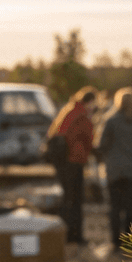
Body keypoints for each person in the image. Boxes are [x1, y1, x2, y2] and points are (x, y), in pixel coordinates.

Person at [95, 87, 132, 248]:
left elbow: (102, 145)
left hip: (114, 170)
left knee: (114, 206)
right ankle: (129, 240)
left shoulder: (111, 121)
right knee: (130, 207)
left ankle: (115, 240)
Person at [46, 86, 98, 244]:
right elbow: (87, 138)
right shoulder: (82, 115)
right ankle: (75, 235)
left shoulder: (69, 110)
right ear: (90, 102)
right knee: (75, 200)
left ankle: (65, 234)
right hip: (74, 160)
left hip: (64, 160)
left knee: (67, 198)